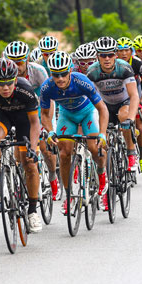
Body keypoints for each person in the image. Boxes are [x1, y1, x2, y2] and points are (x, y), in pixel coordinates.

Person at [0, 58, 43, 232]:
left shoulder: (25, 89)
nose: (5, 88)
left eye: (8, 83)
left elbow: (35, 123)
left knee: (29, 163)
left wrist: (33, 148)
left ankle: (33, 212)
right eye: (0, 83)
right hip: (2, 116)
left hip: (24, 119)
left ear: (15, 80)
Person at [40, 51, 108, 213]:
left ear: (70, 70)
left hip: (87, 113)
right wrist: (50, 132)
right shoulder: (47, 88)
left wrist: (103, 133)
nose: (60, 78)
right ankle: (69, 196)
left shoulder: (81, 81)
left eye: (64, 73)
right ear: (51, 74)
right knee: (64, 153)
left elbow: (102, 109)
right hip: (67, 116)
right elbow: (44, 114)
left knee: (93, 147)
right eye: (56, 75)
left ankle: (101, 175)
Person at [4, 41, 59, 200]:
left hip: (41, 108)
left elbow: (48, 98)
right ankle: (22, 182)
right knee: (19, 150)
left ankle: (53, 176)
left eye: (20, 61)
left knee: (44, 147)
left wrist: (47, 126)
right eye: (13, 61)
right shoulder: (7, 73)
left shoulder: (38, 71)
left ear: (27, 59)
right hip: (20, 109)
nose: (16, 65)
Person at [88, 36, 140, 171]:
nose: (107, 59)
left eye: (110, 55)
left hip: (123, 101)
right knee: (102, 139)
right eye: (103, 55)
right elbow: (90, 99)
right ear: (97, 56)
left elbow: (134, 95)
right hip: (104, 105)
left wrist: (131, 119)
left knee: (124, 116)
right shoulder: (92, 72)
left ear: (115, 55)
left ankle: (130, 152)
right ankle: (107, 171)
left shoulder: (124, 68)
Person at [116, 37, 142, 173]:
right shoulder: (113, 63)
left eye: (127, 50)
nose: (124, 53)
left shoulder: (137, 63)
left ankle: (141, 157)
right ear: (116, 52)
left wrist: (141, 101)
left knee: (139, 120)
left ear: (131, 51)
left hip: (135, 91)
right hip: (119, 94)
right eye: (121, 50)